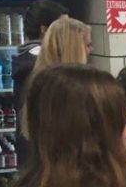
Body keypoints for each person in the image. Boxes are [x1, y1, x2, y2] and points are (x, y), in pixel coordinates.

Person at [12, 0, 67, 167]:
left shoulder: (26, 59)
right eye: (62, 29)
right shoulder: (39, 66)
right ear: (44, 30)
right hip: (42, 153)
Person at [19, 16, 92, 145]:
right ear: (73, 48)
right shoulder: (73, 87)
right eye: (87, 45)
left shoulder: (38, 81)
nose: (91, 50)